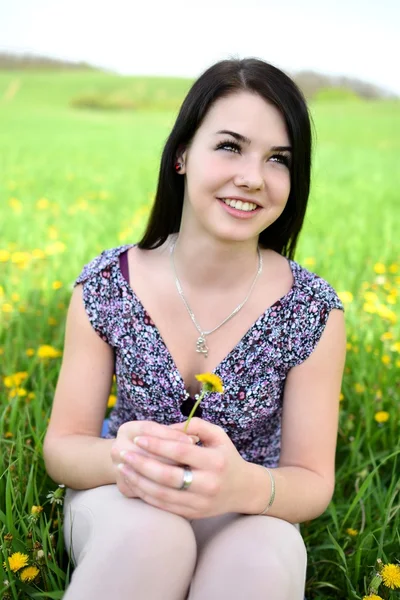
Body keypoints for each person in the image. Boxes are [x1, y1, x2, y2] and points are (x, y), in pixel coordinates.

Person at [43, 57, 346, 600]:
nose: (252, 177)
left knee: (257, 562)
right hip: (122, 496)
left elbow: (312, 480)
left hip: (248, 507)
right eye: (230, 146)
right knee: (152, 537)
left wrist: (239, 484)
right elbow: (63, 447)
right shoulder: (107, 285)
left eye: (279, 159)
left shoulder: (314, 312)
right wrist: (124, 456)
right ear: (182, 153)